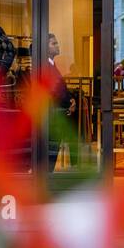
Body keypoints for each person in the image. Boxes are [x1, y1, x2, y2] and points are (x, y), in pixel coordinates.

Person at [46, 32, 76, 171]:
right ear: (46, 48)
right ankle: (47, 177)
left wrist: (70, 99)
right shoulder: (46, 67)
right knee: (52, 147)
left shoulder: (52, 65)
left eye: (57, 42)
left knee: (54, 146)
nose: (57, 45)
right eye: (54, 43)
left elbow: (61, 88)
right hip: (53, 112)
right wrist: (68, 103)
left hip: (57, 110)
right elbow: (54, 90)